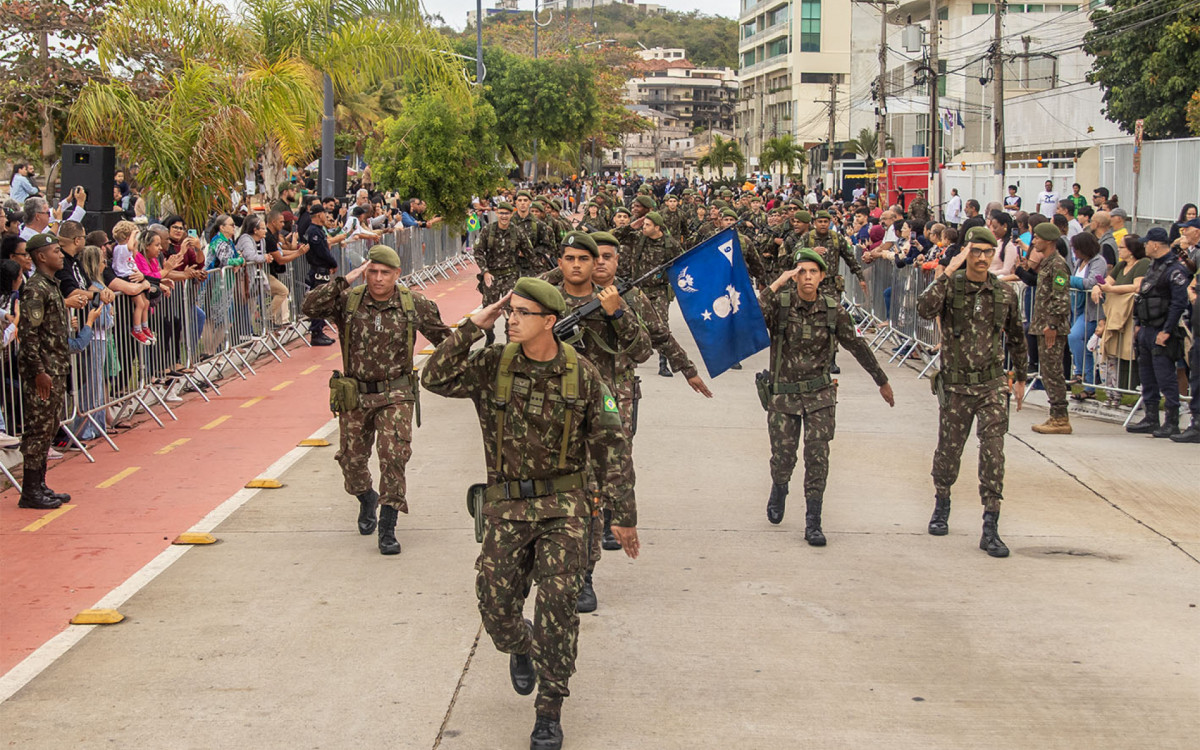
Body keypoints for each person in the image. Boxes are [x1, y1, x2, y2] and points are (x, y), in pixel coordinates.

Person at [421, 278, 636, 750]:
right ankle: (521, 645)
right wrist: (473, 326)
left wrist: (624, 514)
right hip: (507, 507)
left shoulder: (582, 375)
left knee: (558, 604)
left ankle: (549, 712)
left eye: (522, 313)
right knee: (496, 609)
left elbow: (612, 445)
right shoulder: (493, 365)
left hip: (565, 508)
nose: (511, 319)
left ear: (549, 321)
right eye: (509, 311)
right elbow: (433, 378)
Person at [301, 245, 450, 554]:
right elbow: (310, 308)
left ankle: (388, 526)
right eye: (373, 272)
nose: (378, 278)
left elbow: (446, 341)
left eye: (385, 273)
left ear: (397, 274)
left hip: (396, 393)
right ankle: (366, 497)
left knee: (393, 456)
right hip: (355, 394)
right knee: (351, 462)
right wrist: (343, 281)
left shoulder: (414, 304)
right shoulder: (349, 301)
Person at [760, 248, 894, 545]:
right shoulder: (781, 305)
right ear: (794, 276)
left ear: (822, 276)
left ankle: (813, 521)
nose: (807, 277)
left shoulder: (833, 311)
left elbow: (857, 346)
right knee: (783, 458)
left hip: (819, 395)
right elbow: (751, 318)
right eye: (802, 272)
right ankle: (779, 486)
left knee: (817, 457)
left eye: (813, 272)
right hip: (784, 396)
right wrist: (777, 283)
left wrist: (881, 380)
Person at [551, 232, 650, 611]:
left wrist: (616, 314)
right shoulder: (546, 299)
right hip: (550, 413)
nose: (576, 265)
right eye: (570, 258)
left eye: (584, 259)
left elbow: (643, 350)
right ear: (560, 262)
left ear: (596, 264)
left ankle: (584, 576)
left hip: (596, 413)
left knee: (590, 496)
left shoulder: (613, 299)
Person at [917, 226, 1027, 558]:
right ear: (966, 252)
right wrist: (949, 269)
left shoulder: (1004, 293)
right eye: (975, 251)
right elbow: (924, 308)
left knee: (993, 452)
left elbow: (1017, 337)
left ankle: (991, 525)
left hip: (991, 385)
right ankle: (942, 501)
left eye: (987, 252)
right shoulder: (950, 287)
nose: (981, 258)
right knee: (949, 452)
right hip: (956, 385)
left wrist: (1021, 378)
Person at [17, 234, 89, 509]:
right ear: (41, 256)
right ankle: (30, 491)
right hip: (44, 370)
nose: (61, 255)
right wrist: (39, 371)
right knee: (38, 430)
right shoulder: (36, 288)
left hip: (56, 366)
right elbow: (29, 334)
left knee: (48, 427)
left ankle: (40, 485)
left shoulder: (51, 284)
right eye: (56, 251)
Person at [1125, 227, 1190, 438]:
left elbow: (1178, 303)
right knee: (1147, 376)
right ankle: (1151, 418)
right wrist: (1138, 323)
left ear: (1155, 245)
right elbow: (1143, 296)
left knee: (1165, 377)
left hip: (1161, 330)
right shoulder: (1154, 266)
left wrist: (1167, 330)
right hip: (1146, 327)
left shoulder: (1174, 270)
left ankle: (1171, 422)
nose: (1144, 246)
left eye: (1147, 243)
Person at [1025, 223, 1073, 434]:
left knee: (1053, 371)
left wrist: (1052, 324)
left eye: (1037, 238)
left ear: (1049, 241)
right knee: (1047, 370)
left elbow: (1061, 297)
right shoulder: (1046, 263)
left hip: (1052, 327)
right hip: (1042, 325)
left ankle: (1060, 418)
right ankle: (1056, 415)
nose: (1034, 241)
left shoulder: (1058, 264)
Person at [1093, 234, 1148, 404]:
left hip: (1131, 316)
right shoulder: (1121, 265)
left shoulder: (1143, 264)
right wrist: (1098, 287)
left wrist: (1112, 290)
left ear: (1131, 250)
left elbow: (1137, 287)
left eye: (1122, 247)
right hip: (1115, 315)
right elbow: (1107, 282)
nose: (1119, 250)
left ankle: (1138, 395)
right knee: (1110, 352)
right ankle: (1112, 393)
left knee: (1130, 354)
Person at [474, 202, 534, 346]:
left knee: (511, 311)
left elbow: (530, 254)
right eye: (501, 213)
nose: (504, 216)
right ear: (496, 213)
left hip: (510, 276)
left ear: (511, 214)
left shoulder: (517, 232)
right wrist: (485, 271)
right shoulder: (488, 230)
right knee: (488, 310)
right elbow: (478, 252)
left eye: (507, 213)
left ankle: (509, 344)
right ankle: (489, 336)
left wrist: (538, 275)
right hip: (492, 276)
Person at [1067, 232, 1107, 398]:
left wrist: (1066, 279)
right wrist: (1060, 280)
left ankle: (1081, 372)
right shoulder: (1079, 262)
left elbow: (1091, 283)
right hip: (1077, 307)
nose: (1074, 252)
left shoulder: (1099, 262)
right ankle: (1088, 384)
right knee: (1083, 345)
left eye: (1076, 249)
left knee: (1075, 336)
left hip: (1092, 310)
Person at [302, 205, 338, 346]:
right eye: (324, 213)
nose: (326, 216)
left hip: (322, 269)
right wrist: (333, 263)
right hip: (318, 271)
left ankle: (319, 331)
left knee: (323, 301)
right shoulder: (313, 232)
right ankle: (316, 333)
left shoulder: (318, 230)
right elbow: (322, 252)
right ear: (318, 215)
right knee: (319, 300)